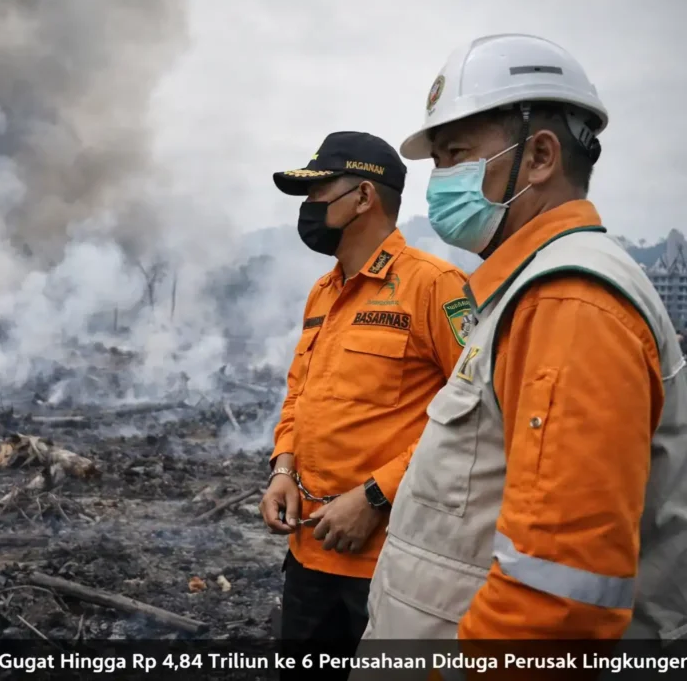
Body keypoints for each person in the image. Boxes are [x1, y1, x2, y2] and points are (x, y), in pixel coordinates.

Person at [358, 33, 687, 650]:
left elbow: (557, 602)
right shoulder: (527, 293)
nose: (438, 181)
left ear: (539, 157)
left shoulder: (569, 304)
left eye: (455, 154)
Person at [259, 131, 469, 672]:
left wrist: (376, 496)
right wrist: (283, 467)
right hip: (308, 554)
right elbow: (299, 392)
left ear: (363, 197)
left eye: (316, 193)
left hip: (392, 565)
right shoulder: (323, 292)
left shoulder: (435, 286)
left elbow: (475, 418)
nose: (307, 209)